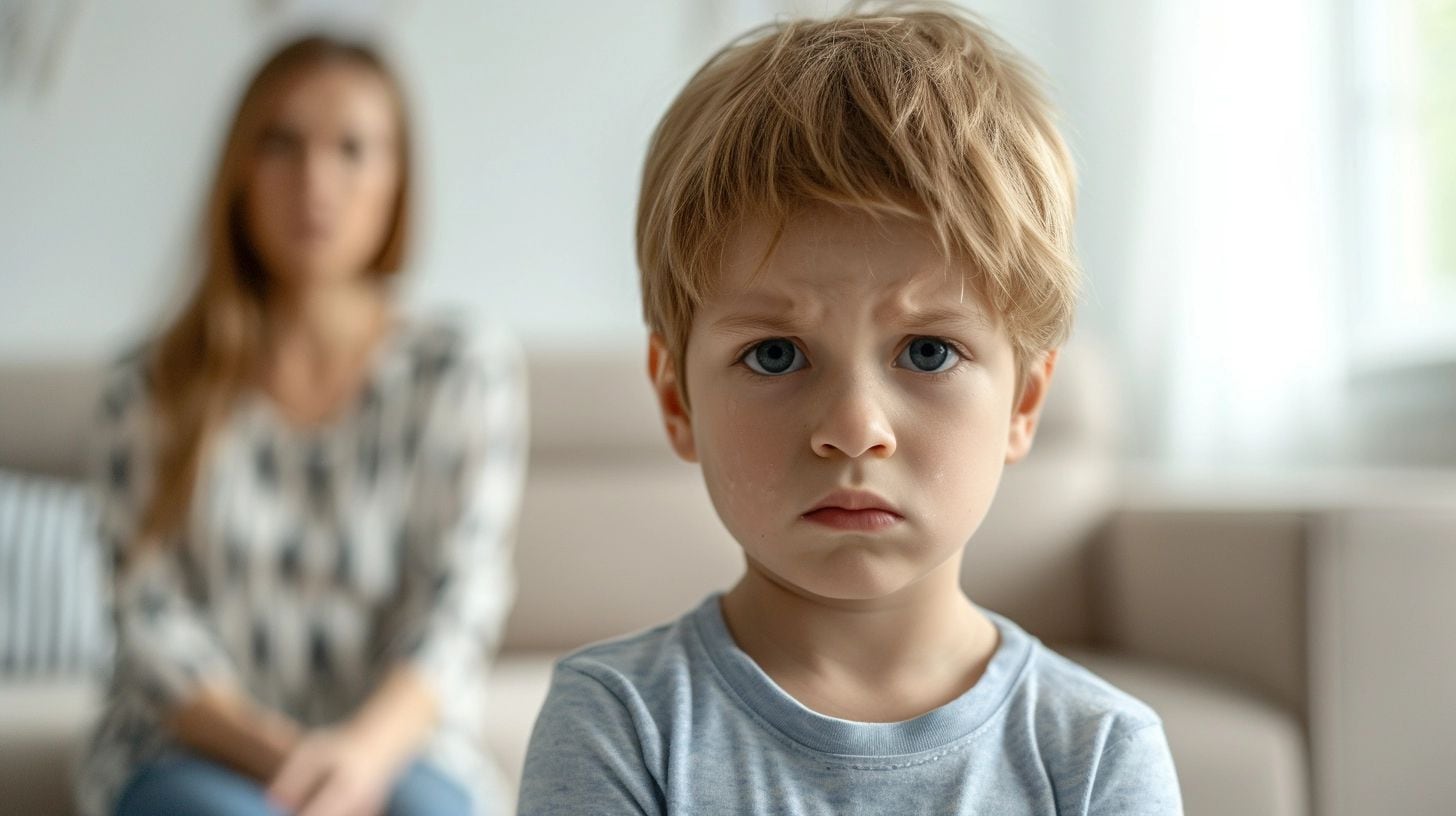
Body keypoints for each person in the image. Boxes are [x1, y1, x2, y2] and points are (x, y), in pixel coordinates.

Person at [517, 3, 1182, 814]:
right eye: (775, 354)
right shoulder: (618, 725)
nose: (853, 428)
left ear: (1026, 397)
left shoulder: (1098, 754)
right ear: (675, 396)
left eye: (928, 352)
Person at [74, 34, 526, 816]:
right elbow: (149, 623)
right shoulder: (146, 388)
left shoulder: (463, 368)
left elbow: (460, 600)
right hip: (190, 748)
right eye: (281, 144)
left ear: (398, 181)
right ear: (240, 171)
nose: (316, 180)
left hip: (399, 747)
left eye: (353, 149)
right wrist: (291, 764)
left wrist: (357, 756)